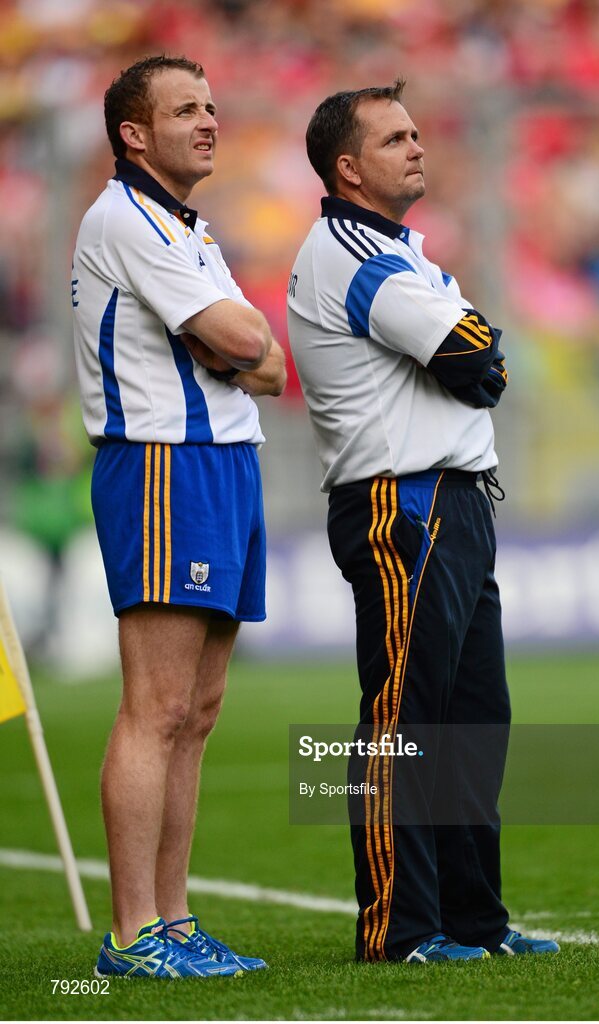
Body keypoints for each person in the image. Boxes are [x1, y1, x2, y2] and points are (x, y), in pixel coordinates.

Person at [287, 79, 558, 964]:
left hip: (453, 499)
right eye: (395, 137)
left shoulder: (396, 252)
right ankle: (401, 928)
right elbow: (475, 355)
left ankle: (475, 920)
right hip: (403, 500)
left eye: (415, 133)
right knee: (403, 718)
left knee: (474, 719)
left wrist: (476, 353)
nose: (416, 146)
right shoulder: (355, 253)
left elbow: (475, 359)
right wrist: (477, 350)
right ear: (348, 167)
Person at [72, 55, 286, 979]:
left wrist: (238, 344)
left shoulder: (185, 228)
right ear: (133, 132)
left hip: (223, 463)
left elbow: (271, 367)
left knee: (196, 711)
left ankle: (173, 916)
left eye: (210, 106)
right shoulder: (124, 218)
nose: (208, 121)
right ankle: (132, 933)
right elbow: (247, 341)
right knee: (156, 706)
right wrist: (234, 342)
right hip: (163, 461)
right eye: (185, 109)